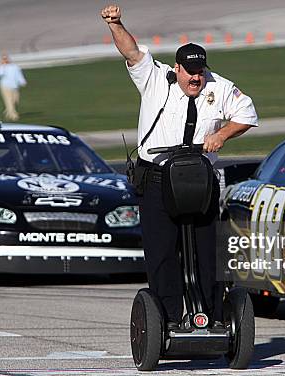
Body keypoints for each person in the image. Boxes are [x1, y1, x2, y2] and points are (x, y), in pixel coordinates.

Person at [101, 5, 259, 330]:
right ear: (177, 69)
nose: (196, 78)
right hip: (157, 178)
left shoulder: (219, 87)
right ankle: (169, 320)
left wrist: (222, 134)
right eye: (190, 73)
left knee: (207, 251)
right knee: (161, 254)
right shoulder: (155, 77)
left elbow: (247, 113)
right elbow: (131, 51)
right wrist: (116, 24)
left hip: (199, 180)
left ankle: (212, 318)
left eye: (200, 72)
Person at [0, 53, 27, 121]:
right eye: (3, 59)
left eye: (6, 58)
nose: (5, 60)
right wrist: (3, 66)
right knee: (9, 101)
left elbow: (19, 74)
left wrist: (22, 81)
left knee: (15, 100)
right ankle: (14, 116)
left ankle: (8, 112)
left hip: (14, 86)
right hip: (5, 86)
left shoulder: (15, 66)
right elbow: (0, 74)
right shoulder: (1, 67)